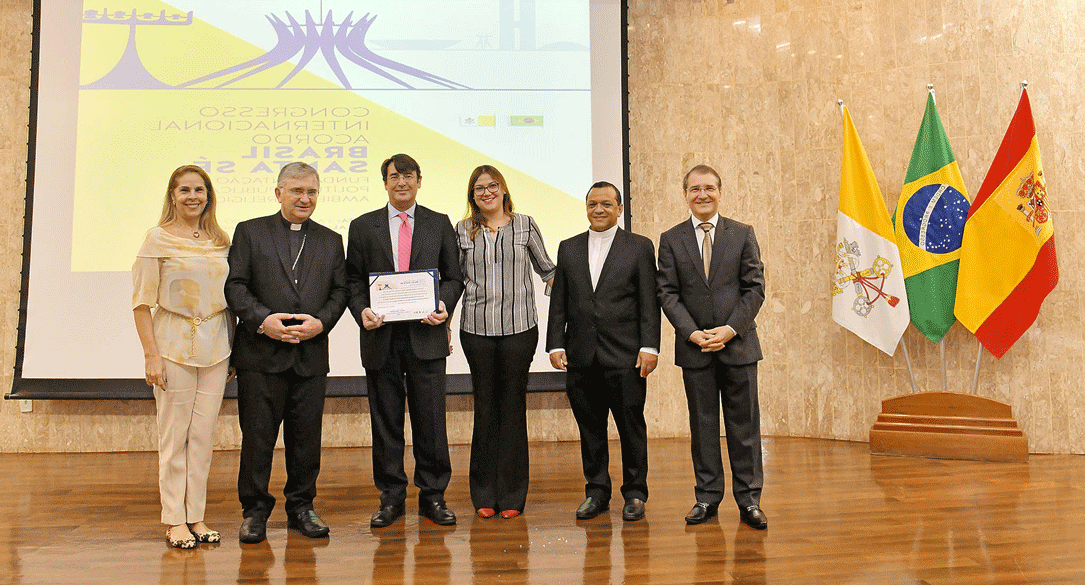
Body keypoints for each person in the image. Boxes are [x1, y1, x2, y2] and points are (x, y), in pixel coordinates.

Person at [225, 162, 349, 543]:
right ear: (279, 193)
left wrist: (321, 322)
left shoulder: (331, 240)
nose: (305, 198)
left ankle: (301, 507)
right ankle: (255, 512)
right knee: (258, 438)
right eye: (296, 191)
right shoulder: (250, 232)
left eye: (311, 191)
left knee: (306, 439)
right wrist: (264, 320)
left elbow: (340, 292)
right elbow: (236, 286)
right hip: (260, 357)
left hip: (310, 358)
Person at [346, 153, 465, 528]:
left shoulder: (439, 223)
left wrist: (443, 303)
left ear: (418, 180)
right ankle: (391, 498)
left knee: (431, 422)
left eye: (408, 176)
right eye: (394, 176)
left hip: (425, 336)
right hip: (381, 337)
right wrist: (362, 310)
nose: (402, 182)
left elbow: (454, 276)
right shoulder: (363, 226)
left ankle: (433, 497)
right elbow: (352, 281)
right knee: (386, 423)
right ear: (385, 183)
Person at [656, 164, 768, 529]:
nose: (701, 195)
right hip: (695, 349)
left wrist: (731, 329)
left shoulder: (742, 233)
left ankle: (749, 500)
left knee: (744, 426)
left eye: (708, 188)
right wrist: (691, 332)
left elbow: (755, 288)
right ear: (685, 195)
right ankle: (706, 497)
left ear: (720, 191)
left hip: (738, 347)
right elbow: (667, 293)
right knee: (703, 426)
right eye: (694, 189)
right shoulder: (671, 239)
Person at [545, 181, 660, 522]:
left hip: (625, 357)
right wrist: (555, 343)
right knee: (590, 429)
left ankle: (635, 494)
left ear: (619, 209)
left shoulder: (639, 247)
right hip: (581, 357)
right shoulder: (569, 248)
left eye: (607, 204)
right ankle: (596, 492)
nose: (599, 209)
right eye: (593, 203)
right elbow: (560, 301)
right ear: (586, 207)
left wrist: (649, 346)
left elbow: (648, 302)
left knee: (630, 427)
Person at [132, 164, 232, 549]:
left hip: (216, 346)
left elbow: (231, 301)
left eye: (200, 189)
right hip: (171, 345)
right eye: (185, 190)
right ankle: (174, 519)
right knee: (173, 436)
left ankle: (197, 516)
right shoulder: (156, 239)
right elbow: (142, 304)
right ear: (172, 195)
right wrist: (150, 356)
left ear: (209, 195)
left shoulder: (220, 238)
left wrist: (234, 351)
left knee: (203, 436)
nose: (193, 196)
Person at [456, 165, 556, 519]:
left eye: (492, 186)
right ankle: (483, 492)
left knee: (513, 409)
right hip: (476, 331)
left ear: (503, 189)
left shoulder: (525, 225)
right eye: (479, 188)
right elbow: (453, 281)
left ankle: (513, 495)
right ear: (472, 196)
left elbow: (548, 270)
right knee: (485, 410)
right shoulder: (462, 230)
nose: (486, 192)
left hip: (519, 331)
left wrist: (580, 296)